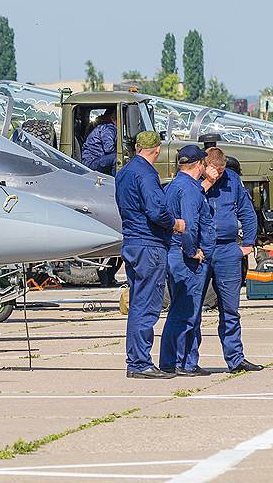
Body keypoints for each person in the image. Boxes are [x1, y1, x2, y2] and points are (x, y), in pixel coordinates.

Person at [115, 130, 185, 379]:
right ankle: (140, 362)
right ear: (157, 150)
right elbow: (156, 209)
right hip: (149, 245)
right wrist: (175, 223)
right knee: (147, 306)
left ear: (136, 147)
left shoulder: (124, 173)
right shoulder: (145, 174)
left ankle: (137, 360)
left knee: (137, 304)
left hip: (133, 242)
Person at [201, 147, 264, 373]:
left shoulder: (232, 180)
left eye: (221, 170)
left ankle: (236, 358)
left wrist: (247, 244)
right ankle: (187, 361)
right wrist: (206, 181)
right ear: (204, 166)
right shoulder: (195, 182)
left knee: (230, 309)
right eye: (215, 170)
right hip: (200, 251)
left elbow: (247, 212)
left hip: (227, 250)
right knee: (192, 308)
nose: (219, 175)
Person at [159, 145, 215, 376]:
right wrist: (192, 251)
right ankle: (177, 362)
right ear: (200, 164)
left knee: (183, 309)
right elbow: (189, 225)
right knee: (185, 311)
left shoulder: (174, 186)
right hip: (186, 259)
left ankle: (186, 361)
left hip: (175, 254)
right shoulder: (190, 190)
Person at [82, 111, 117, 175]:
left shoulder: (106, 127)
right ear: (113, 118)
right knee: (117, 157)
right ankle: (116, 181)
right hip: (92, 161)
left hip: (95, 159)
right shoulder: (108, 128)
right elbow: (108, 149)